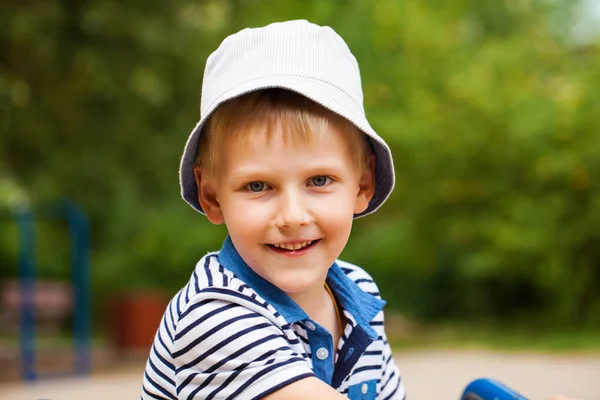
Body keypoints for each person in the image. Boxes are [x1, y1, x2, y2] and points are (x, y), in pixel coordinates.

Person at [140, 20, 584, 400]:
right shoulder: (214, 314)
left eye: (319, 181)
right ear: (213, 195)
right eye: (258, 186)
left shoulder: (358, 294)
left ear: (363, 184)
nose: (292, 215)